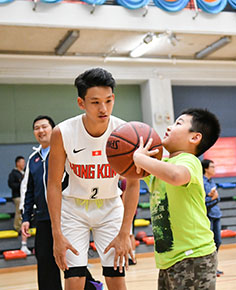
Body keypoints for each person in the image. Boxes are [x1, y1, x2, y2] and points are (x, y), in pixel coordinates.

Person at [47, 68, 140, 290]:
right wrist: (56, 234)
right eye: (95, 102)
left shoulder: (126, 132)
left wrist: (126, 232)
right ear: (81, 103)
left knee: (116, 277)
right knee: (74, 278)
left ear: (114, 98)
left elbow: (134, 183)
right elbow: (53, 184)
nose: (103, 108)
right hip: (73, 210)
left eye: (108, 101)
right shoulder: (63, 132)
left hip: (110, 208)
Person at [133, 108, 220, 290]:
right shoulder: (162, 166)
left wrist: (140, 158)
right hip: (169, 260)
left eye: (178, 123)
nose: (169, 127)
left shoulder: (189, 161)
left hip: (194, 256)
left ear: (195, 137)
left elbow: (176, 176)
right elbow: (132, 173)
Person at [21, 115, 63, 290]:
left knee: (71, 261)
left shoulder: (63, 152)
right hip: (43, 217)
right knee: (45, 259)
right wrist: (26, 217)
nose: (41, 131)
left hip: (65, 216)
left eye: (44, 127)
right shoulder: (33, 159)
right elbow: (29, 191)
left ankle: (91, 286)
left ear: (53, 129)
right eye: (37, 128)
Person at [201, 159, 224, 277]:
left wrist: (214, 198)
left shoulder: (212, 181)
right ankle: (208, 268)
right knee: (209, 243)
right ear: (206, 169)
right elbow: (203, 201)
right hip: (207, 215)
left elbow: (217, 198)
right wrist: (213, 198)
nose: (214, 169)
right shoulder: (201, 182)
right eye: (212, 167)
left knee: (218, 241)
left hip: (216, 214)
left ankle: (213, 266)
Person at [7, 155, 31, 255]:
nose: (23, 164)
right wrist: (20, 184)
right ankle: (17, 227)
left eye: (24, 162)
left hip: (25, 196)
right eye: (21, 162)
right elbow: (11, 184)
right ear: (17, 163)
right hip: (17, 196)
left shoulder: (25, 172)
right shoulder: (13, 173)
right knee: (19, 212)